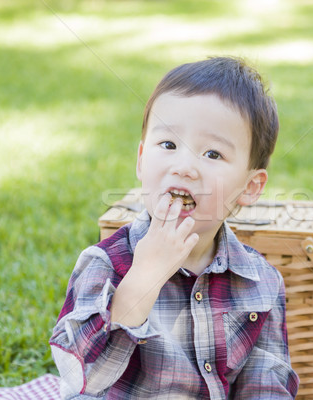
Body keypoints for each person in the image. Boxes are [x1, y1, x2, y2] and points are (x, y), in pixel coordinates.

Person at [49, 57, 299, 399]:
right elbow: (84, 377)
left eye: (212, 154)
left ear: (250, 187)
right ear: (141, 160)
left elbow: (265, 383)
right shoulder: (106, 264)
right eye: (168, 145)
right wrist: (144, 276)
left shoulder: (261, 282)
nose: (184, 167)